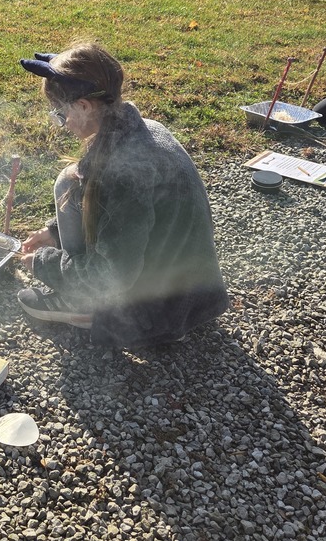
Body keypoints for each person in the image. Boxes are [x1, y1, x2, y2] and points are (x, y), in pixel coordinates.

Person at [17, 45, 229, 348]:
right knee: (69, 181)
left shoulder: (125, 174)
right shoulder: (142, 130)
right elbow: (106, 206)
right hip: (183, 279)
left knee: (96, 276)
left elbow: (112, 278)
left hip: (165, 307)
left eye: (60, 114)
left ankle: (83, 305)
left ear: (84, 106)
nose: (60, 124)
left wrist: (44, 264)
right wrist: (55, 232)